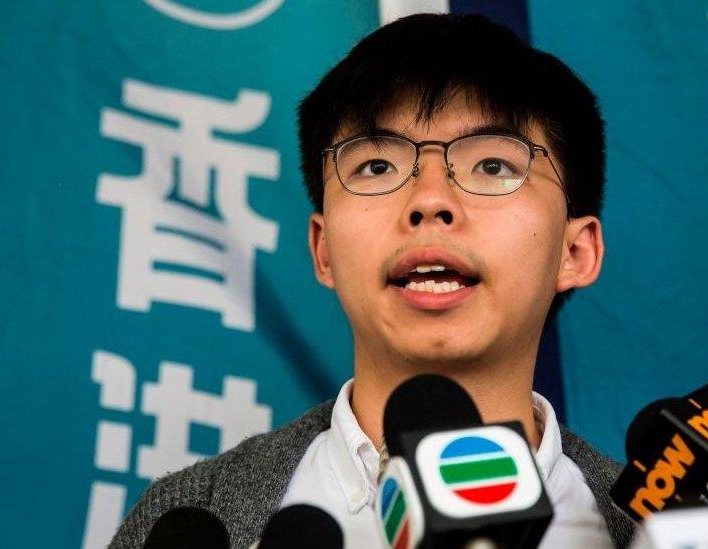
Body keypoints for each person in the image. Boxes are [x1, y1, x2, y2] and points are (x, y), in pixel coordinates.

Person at [112, 13, 632, 548]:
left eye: (494, 165)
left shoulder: (656, 529)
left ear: (575, 251)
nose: (431, 201)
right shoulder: (188, 518)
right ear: (323, 250)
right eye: (377, 167)